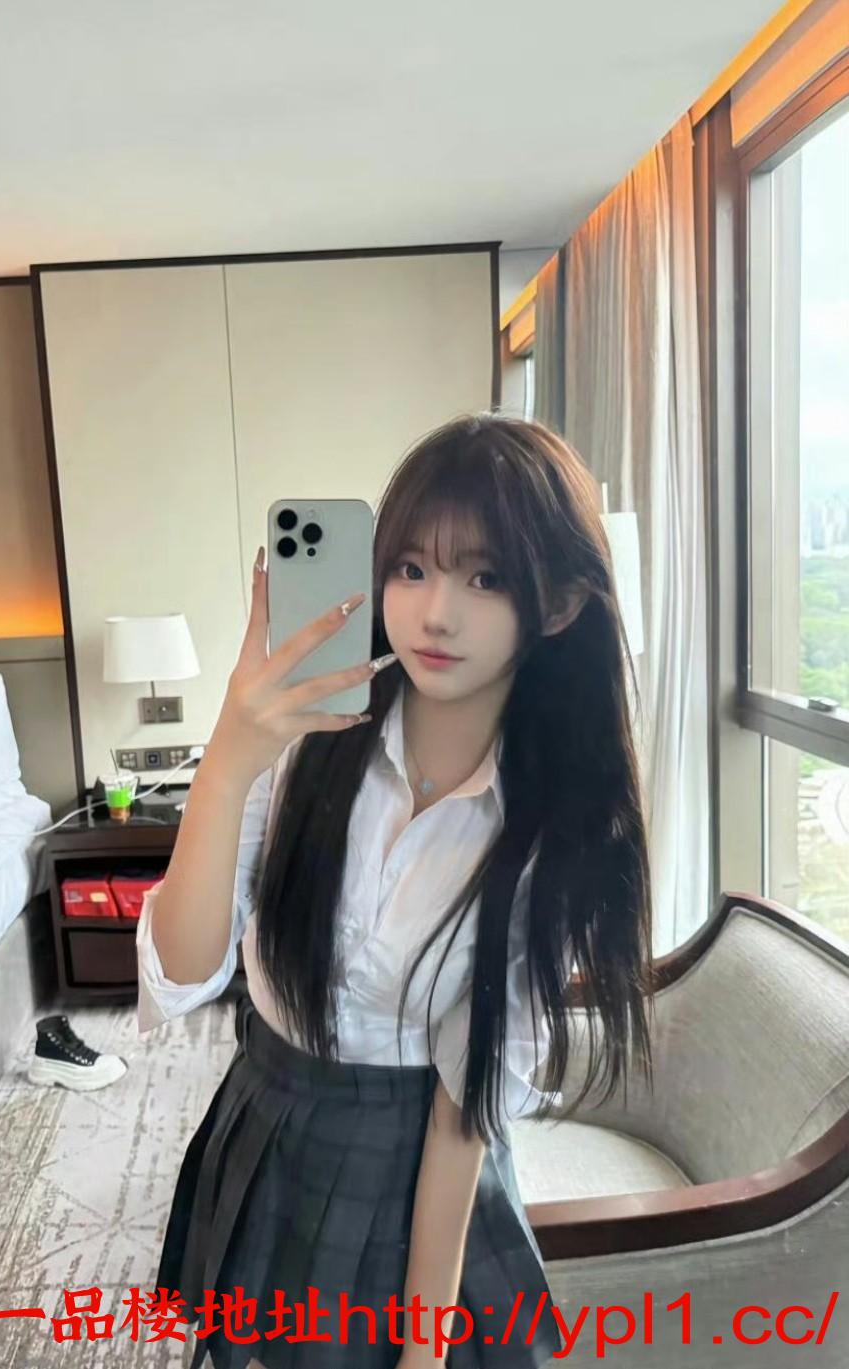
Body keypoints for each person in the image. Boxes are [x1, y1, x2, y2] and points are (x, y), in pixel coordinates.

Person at [134, 413, 655, 1368]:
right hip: (267, 1117)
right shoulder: (305, 743)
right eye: (410, 568)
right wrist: (229, 763)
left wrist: (422, 1353)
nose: (434, 613)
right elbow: (182, 969)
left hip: (419, 1172)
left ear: (558, 603)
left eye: (485, 578)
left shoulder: (558, 829)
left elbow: (465, 1108)